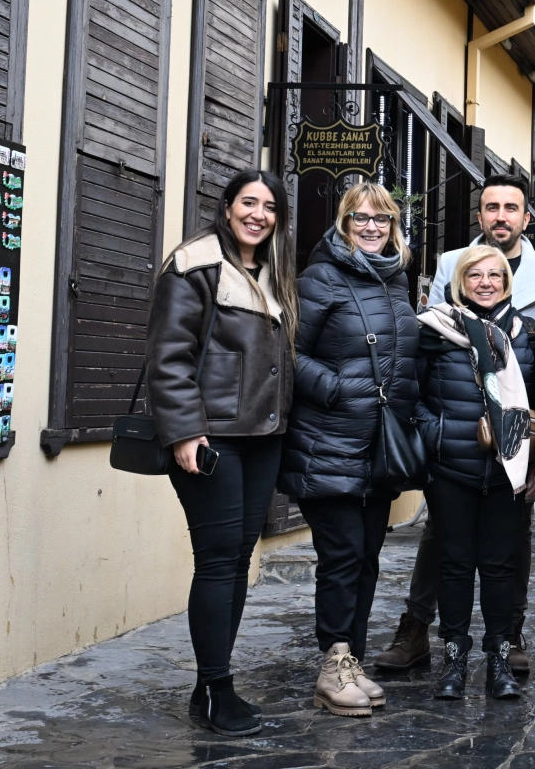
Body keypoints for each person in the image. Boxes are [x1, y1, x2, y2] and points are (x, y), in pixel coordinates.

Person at [376, 171, 535, 675]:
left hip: (518, 438)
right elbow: (433, 343)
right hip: (455, 437)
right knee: (444, 535)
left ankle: (509, 633)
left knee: (512, 536)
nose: (501, 216)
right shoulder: (452, 262)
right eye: (492, 207)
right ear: (480, 215)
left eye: (511, 208)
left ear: (526, 216)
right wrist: (436, 433)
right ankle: (417, 628)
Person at [147, 170, 297, 736]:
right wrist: (185, 432)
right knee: (216, 561)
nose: (258, 214)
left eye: (269, 206)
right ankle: (216, 688)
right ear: (228, 207)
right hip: (211, 439)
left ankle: (210, 684)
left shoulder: (276, 271)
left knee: (238, 560)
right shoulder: (194, 264)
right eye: (248, 203)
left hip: (262, 439)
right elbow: (169, 356)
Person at [277, 183, 420, 717]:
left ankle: (350, 661)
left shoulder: (397, 282)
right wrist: (337, 389)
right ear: (343, 222)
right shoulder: (321, 278)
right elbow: (288, 351)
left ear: (393, 227)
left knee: (365, 560)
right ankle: (332, 663)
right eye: (360, 218)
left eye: (381, 219)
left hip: (380, 448)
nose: (371, 227)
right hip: (328, 442)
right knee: (340, 557)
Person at [419, 245, 535, 700]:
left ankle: (498, 660)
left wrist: (534, 455)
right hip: (451, 467)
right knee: (453, 566)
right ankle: (453, 660)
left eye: (495, 275)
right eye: (475, 276)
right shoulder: (434, 331)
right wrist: (438, 435)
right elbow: (414, 395)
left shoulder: (527, 334)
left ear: (507, 283)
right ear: (460, 283)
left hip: (509, 470)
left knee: (499, 567)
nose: (485, 282)